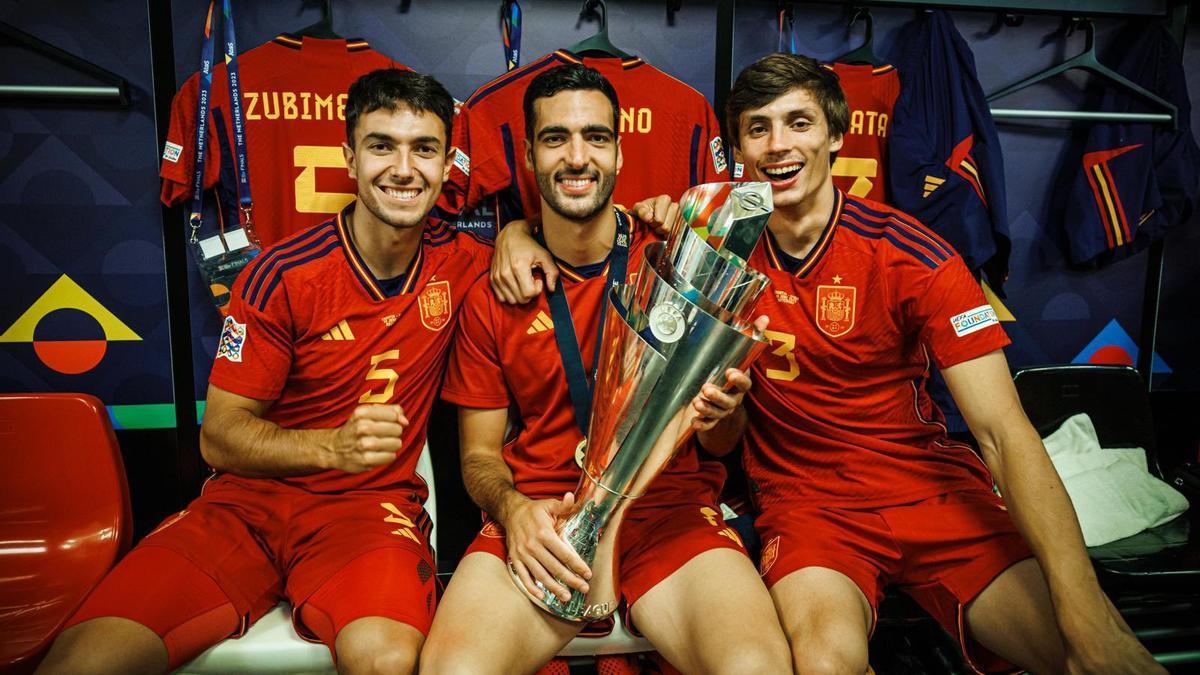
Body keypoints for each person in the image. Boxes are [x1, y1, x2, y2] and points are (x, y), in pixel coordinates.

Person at [709, 53, 1162, 675]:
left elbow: (1003, 433)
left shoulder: (914, 256)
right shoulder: (715, 249)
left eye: (799, 123)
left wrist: (1087, 611)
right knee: (823, 664)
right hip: (811, 508)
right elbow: (606, 224)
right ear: (738, 148)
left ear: (837, 136)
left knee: (1091, 654)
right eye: (758, 128)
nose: (778, 145)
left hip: (929, 492)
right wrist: (519, 236)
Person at [37, 68, 492, 675]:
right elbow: (220, 437)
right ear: (349, 159)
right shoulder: (284, 273)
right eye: (382, 146)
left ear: (445, 163)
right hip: (244, 509)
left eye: (424, 149)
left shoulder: (466, 263)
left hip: (365, 513)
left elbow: (565, 246)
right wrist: (332, 445)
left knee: (387, 661)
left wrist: (520, 237)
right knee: (83, 662)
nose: (404, 168)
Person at [421, 63, 791, 674]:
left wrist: (727, 411)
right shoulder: (499, 289)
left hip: (665, 510)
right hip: (545, 510)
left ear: (619, 151)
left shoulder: (675, 256)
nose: (577, 156)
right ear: (529, 155)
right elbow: (479, 458)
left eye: (596, 137)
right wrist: (513, 512)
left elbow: (723, 443)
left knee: (757, 668)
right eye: (554, 138)